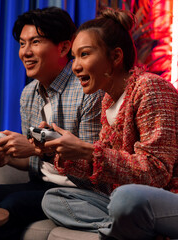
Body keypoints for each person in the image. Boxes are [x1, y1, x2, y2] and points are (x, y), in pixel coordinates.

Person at [0, 7, 104, 240]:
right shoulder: (29, 94)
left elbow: (91, 165)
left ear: (64, 47)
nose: (25, 52)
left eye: (35, 42)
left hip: (80, 191)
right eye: (22, 43)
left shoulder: (87, 90)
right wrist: (9, 156)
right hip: (42, 185)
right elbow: (37, 162)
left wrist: (37, 148)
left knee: (10, 206)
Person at [40, 7, 178, 240]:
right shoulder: (108, 101)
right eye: (73, 57)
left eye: (84, 54)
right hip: (129, 200)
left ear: (115, 56)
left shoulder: (150, 88)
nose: (74, 66)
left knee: (125, 198)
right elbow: (106, 178)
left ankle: (125, 227)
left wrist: (88, 151)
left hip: (166, 197)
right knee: (54, 199)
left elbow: (156, 173)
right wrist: (64, 152)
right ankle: (125, 229)